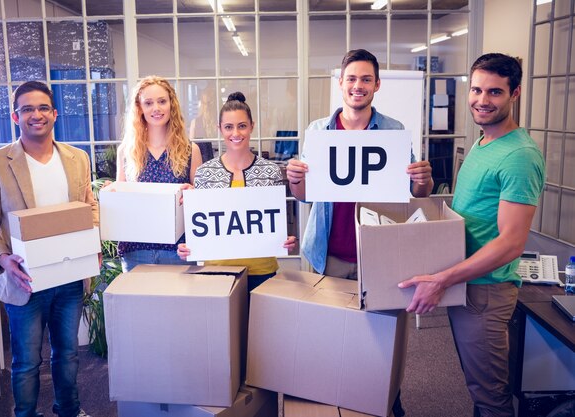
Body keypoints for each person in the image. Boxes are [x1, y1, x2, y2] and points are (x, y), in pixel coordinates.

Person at [398, 53, 545, 417]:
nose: (482, 100)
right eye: (476, 89)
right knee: (477, 384)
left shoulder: (519, 156)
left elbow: (511, 243)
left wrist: (442, 279)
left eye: (494, 92)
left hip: (486, 289)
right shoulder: (483, 142)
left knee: (490, 396)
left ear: (515, 94)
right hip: (468, 284)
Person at [0, 81, 97, 417]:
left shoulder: (77, 158)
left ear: (55, 114)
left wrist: (93, 243)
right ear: (15, 116)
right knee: (26, 362)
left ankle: (69, 410)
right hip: (23, 279)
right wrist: (2, 258)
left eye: (43, 108)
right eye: (27, 109)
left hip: (69, 277)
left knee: (68, 354)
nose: (36, 115)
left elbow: (88, 205)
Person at [286, 49, 434, 280]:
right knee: (329, 317)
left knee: (383, 317)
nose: (358, 86)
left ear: (377, 85)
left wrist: (424, 180)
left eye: (366, 79)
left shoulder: (393, 130)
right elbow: (304, 195)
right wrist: (295, 179)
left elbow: (416, 192)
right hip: (329, 255)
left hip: (379, 253)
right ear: (341, 82)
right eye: (352, 79)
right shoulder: (318, 131)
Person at [177, 92, 296, 291]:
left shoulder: (271, 171)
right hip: (216, 271)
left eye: (242, 126)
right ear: (220, 129)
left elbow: (275, 221)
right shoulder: (205, 173)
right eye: (229, 127)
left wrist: (286, 239)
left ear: (252, 126)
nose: (236, 133)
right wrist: (189, 246)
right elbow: (202, 224)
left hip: (262, 270)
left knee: (261, 323)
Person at [116, 76, 203, 272]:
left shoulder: (191, 150)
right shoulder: (126, 151)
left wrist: (194, 193)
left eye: (162, 101)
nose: (156, 108)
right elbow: (120, 201)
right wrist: (111, 193)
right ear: (139, 108)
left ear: (172, 104)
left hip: (179, 251)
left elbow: (201, 204)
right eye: (148, 103)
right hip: (136, 250)